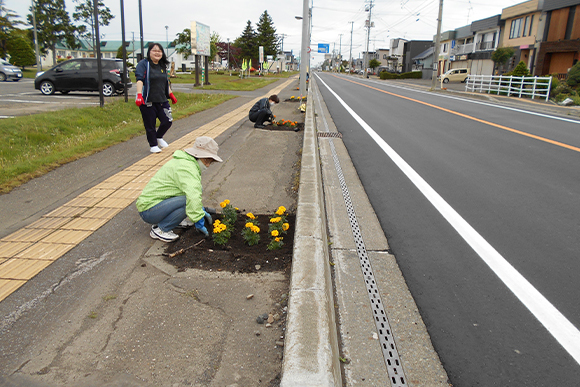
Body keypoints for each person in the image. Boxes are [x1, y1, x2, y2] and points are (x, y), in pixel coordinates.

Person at [135, 136, 223, 242]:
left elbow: (193, 190)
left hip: (155, 205)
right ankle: (161, 229)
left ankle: (174, 220)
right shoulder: (187, 168)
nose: (208, 165)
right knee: (188, 200)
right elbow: (193, 195)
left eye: (210, 162)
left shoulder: (186, 162)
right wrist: (198, 218)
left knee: (193, 195)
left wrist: (200, 209)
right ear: (198, 156)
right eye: (206, 161)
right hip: (149, 210)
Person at [135, 43, 178, 153]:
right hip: (147, 100)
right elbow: (139, 79)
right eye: (154, 51)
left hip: (162, 99)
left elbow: (165, 82)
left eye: (159, 51)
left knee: (167, 120)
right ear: (149, 52)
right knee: (150, 124)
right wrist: (139, 94)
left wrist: (171, 95)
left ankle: (159, 137)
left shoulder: (162, 65)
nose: (157, 53)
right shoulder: (144, 64)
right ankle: (153, 145)